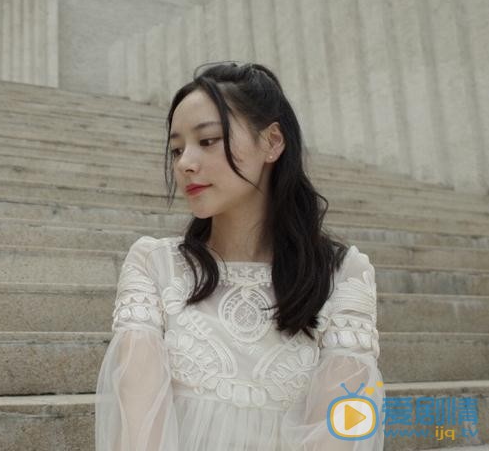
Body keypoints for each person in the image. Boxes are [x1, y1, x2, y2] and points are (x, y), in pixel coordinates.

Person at [94, 62, 385, 450]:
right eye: (177, 149)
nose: (184, 163)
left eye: (208, 140)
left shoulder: (343, 274)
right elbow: (139, 427)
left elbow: (342, 429)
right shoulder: (155, 265)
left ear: (272, 142)